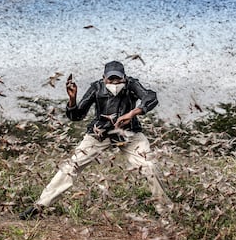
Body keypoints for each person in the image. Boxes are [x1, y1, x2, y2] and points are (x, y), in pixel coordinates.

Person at [19, 61, 172, 220]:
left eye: (118, 80)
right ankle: (39, 206)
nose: (114, 83)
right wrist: (72, 99)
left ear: (124, 78)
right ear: (103, 78)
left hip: (129, 132)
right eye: (110, 80)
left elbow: (150, 97)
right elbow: (76, 116)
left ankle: (166, 214)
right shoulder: (96, 88)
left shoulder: (132, 84)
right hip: (99, 133)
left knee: (149, 165)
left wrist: (132, 114)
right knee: (71, 166)